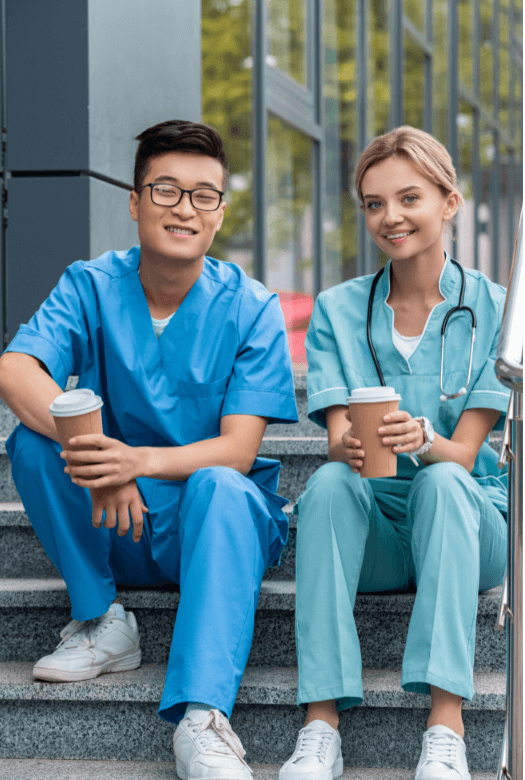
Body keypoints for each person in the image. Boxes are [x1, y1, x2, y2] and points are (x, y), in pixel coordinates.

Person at [0, 119, 298, 780]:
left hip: (212, 524)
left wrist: (139, 462)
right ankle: (103, 620)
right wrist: (102, 455)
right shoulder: (92, 285)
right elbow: (13, 374)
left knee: (219, 483)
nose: (184, 208)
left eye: (203, 195)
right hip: (118, 518)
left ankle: (202, 719)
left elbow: (239, 450)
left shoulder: (250, 307)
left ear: (219, 214)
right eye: (165, 190)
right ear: (134, 202)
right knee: (35, 443)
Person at [279, 126, 510, 780]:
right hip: (377, 530)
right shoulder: (338, 308)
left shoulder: (493, 308)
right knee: (325, 484)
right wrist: (351, 442)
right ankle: (320, 724)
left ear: (450, 202)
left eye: (409, 198)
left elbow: (464, 453)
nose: (391, 217)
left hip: (469, 521)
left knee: (441, 481)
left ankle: (446, 726)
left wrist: (426, 441)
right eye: (374, 204)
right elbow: (339, 439)